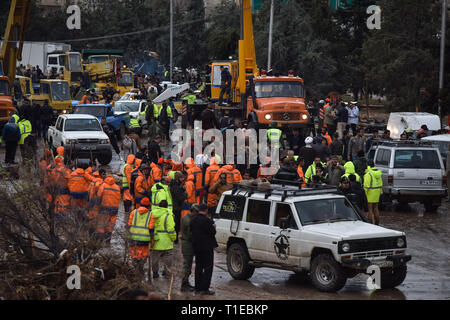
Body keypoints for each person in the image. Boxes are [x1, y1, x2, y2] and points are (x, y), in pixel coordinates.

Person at [191, 203, 218, 295]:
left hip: (197, 247)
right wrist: (213, 227)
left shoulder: (193, 219)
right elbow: (212, 232)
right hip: (207, 248)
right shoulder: (206, 221)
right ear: (206, 210)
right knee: (208, 268)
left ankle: (198, 287)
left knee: (198, 267)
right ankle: (205, 288)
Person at [150, 200, 176, 279]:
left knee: (155, 258)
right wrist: (173, 238)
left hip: (155, 239)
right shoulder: (169, 215)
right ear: (167, 206)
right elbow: (171, 229)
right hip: (166, 240)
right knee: (168, 256)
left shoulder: (152, 214)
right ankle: (166, 271)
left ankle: (155, 273)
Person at [128, 197, 152, 278]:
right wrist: (152, 239)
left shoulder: (133, 212)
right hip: (145, 239)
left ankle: (135, 268)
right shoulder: (150, 214)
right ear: (149, 205)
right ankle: (140, 268)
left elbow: (129, 225)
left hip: (133, 238)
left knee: (134, 253)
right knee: (143, 254)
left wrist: (128, 237)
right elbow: (151, 228)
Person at [97, 174, 121, 242]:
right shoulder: (117, 187)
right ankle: (108, 240)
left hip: (104, 208)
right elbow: (119, 198)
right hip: (114, 208)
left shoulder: (103, 185)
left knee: (102, 224)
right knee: (110, 225)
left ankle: (100, 240)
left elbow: (99, 195)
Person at [181, 203, 199, 292]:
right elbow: (190, 235)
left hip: (187, 243)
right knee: (187, 265)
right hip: (187, 244)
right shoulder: (188, 220)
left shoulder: (188, 217)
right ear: (193, 211)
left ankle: (186, 283)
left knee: (188, 264)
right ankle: (184, 284)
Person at [170, 172, 188, 242]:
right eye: (181, 178)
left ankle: (175, 237)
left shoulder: (175, 185)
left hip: (175, 206)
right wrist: (185, 195)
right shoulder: (176, 187)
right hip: (176, 207)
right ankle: (175, 238)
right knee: (176, 223)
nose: (183, 179)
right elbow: (179, 197)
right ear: (178, 179)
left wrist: (182, 189)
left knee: (175, 223)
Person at [364, 160, 382, 225]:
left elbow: (366, 186)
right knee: (376, 209)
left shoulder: (368, 174)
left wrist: (364, 194)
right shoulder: (378, 173)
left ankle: (370, 224)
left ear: (368, 166)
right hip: (377, 193)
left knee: (370, 210)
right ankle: (377, 224)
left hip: (369, 194)